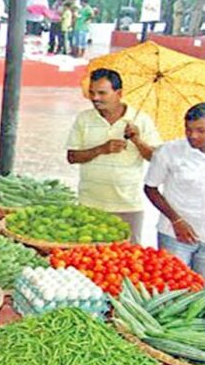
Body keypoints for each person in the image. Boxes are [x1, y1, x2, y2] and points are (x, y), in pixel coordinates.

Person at [66, 68, 161, 243]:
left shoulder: (141, 120)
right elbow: (72, 157)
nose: (95, 98)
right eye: (92, 92)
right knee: (88, 255)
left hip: (127, 205)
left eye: (102, 93)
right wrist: (101, 149)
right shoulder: (84, 119)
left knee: (128, 258)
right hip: (89, 202)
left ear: (119, 93)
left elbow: (156, 159)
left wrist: (137, 140)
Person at [144, 103, 205, 275]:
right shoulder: (169, 151)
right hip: (174, 235)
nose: (192, 136)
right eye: (188, 129)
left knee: (201, 296)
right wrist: (176, 221)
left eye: (201, 131)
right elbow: (151, 188)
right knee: (173, 287)